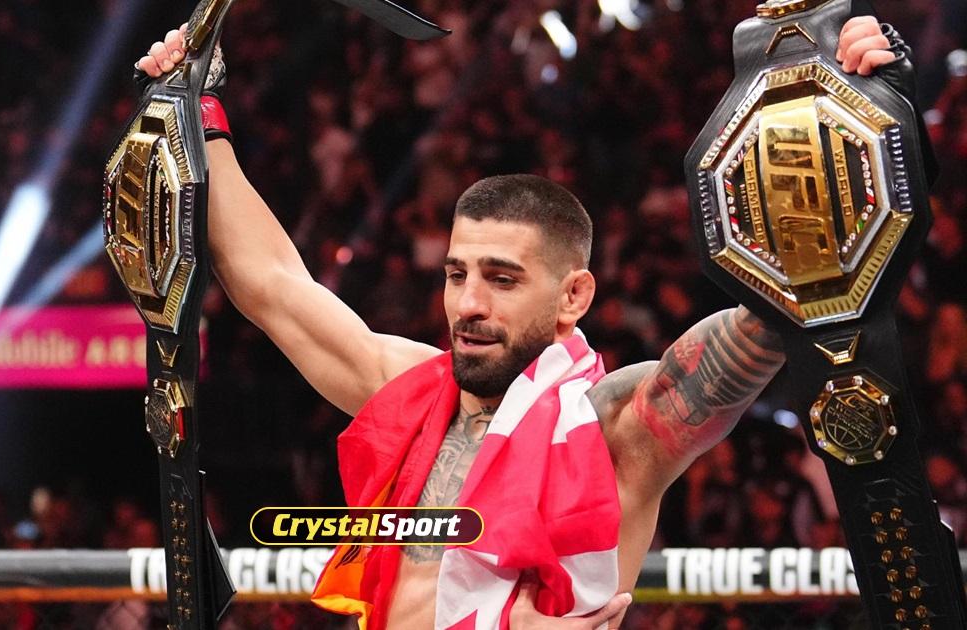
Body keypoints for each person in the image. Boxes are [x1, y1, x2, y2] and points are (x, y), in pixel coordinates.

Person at [135, 15, 911, 630]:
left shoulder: (615, 428)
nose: (469, 303)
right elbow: (272, 286)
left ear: (574, 296)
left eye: (503, 280)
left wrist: (863, 125)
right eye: (457, 274)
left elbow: (770, 317)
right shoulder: (411, 391)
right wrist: (198, 112)